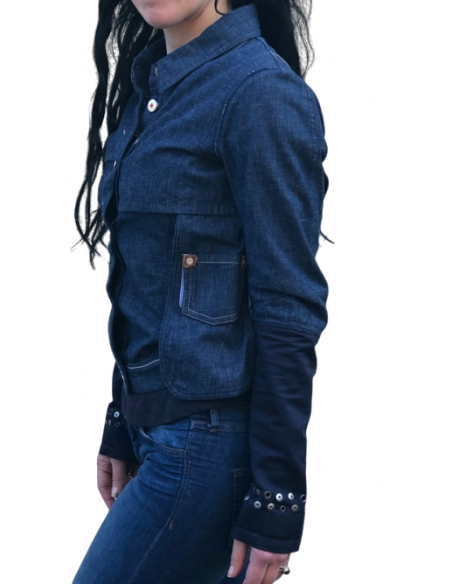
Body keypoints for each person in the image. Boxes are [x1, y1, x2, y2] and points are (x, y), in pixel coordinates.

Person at [72, 1, 331, 583]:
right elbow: (149, 286)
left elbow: (289, 308)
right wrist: (122, 418)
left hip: (206, 450)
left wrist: (278, 498)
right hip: (156, 431)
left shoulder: (260, 94)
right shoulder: (150, 87)